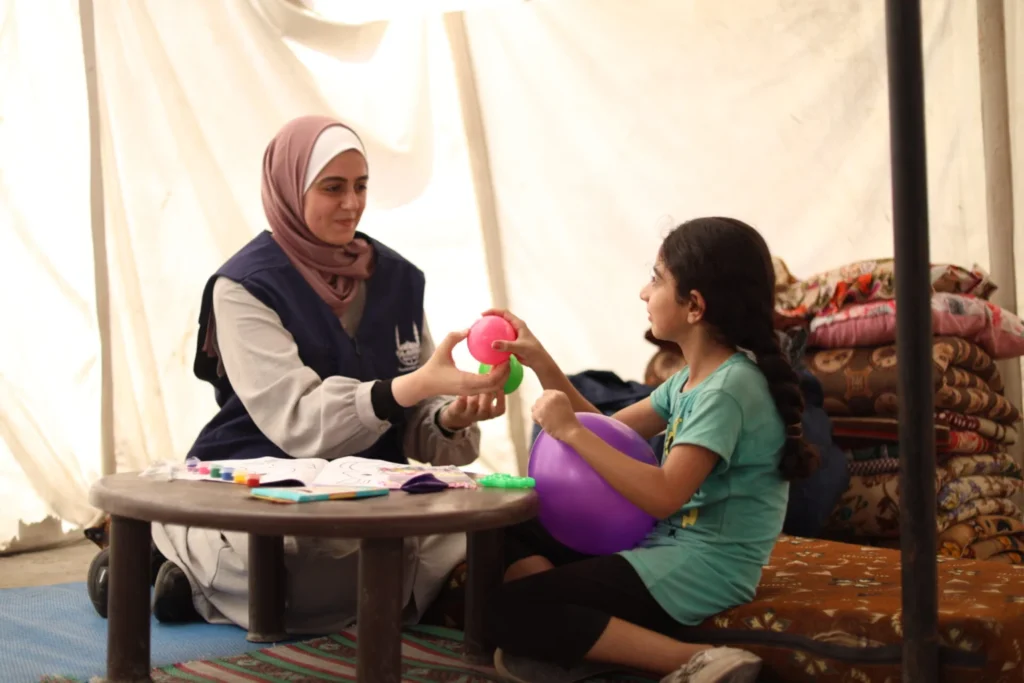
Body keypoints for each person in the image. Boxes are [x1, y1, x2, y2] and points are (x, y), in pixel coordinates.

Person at [142, 115, 510, 632]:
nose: (352, 203)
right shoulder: (244, 286)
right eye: (332, 188)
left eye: (360, 186)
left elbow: (419, 422)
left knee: (483, 524)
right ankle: (181, 562)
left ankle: (199, 583)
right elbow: (299, 421)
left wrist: (448, 417)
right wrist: (410, 387)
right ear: (289, 189)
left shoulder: (398, 279)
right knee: (297, 555)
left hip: (373, 495)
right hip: (264, 482)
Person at [481, 217, 820, 683]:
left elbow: (664, 494)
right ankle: (568, 634)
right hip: (667, 548)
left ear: (695, 306)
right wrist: (540, 359)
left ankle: (696, 662)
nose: (644, 292)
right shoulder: (690, 378)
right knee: (504, 529)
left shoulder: (728, 388)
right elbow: (604, 430)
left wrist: (571, 433)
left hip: (705, 566)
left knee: (505, 611)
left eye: (657, 279)